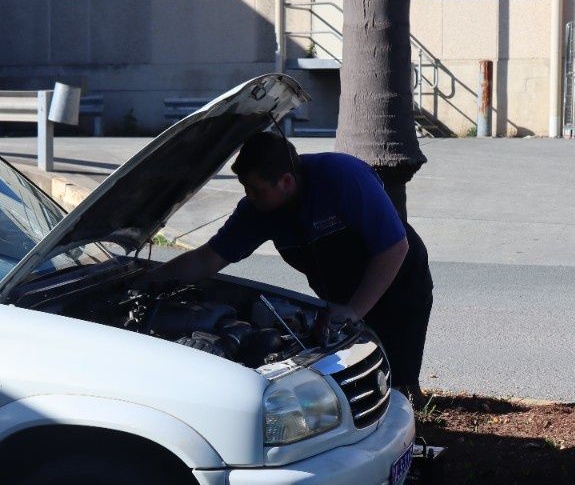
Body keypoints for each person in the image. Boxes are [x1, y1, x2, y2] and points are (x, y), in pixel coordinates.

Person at [150, 131, 433, 399]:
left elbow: (394, 248)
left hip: (398, 279)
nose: (249, 196)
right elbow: (207, 258)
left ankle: (414, 430)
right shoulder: (257, 211)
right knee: (350, 381)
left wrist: (354, 311)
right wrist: (151, 279)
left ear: (285, 181)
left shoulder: (343, 177)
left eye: (256, 189)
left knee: (398, 384)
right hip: (339, 292)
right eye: (246, 188)